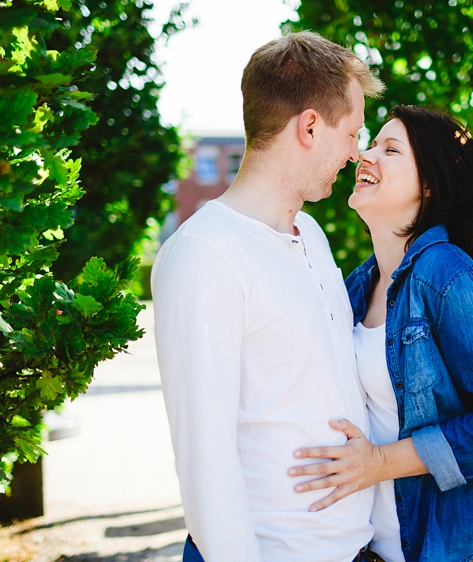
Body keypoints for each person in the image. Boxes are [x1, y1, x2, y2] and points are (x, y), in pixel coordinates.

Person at [151, 31, 384, 562]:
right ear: (308, 126)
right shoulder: (205, 254)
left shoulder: (312, 235)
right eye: (351, 133)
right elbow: (204, 457)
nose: (356, 152)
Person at [289, 106, 473, 562]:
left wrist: (381, 464)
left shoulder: (444, 273)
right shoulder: (353, 288)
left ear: (429, 186)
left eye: (390, 149)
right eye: (371, 144)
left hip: (464, 551)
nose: (366, 156)